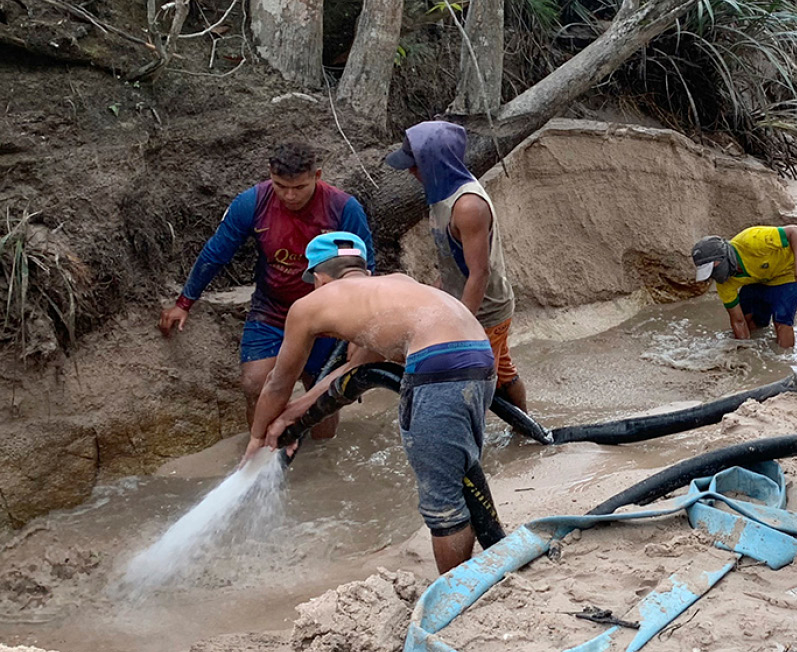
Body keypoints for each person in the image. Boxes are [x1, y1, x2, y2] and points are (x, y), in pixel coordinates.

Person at [245, 231, 497, 573]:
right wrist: (293, 418)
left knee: (443, 501)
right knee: (459, 470)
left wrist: (258, 439)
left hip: (436, 368)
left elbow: (277, 383)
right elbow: (352, 372)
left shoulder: (308, 307)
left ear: (319, 278)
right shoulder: (396, 288)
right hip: (480, 357)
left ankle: (451, 595)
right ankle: (488, 558)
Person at [158, 142, 375, 438]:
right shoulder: (253, 203)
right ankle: (261, 456)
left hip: (328, 318)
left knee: (324, 392)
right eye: (280, 186)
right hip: (272, 312)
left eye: (299, 187)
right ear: (269, 176)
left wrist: (358, 332)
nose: (289, 195)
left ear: (318, 176)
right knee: (254, 384)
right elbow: (216, 253)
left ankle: (323, 460)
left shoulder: (342, 207)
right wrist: (184, 302)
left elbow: (366, 269)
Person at [383, 121, 528, 412]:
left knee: (470, 383)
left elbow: (479, 273)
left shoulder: (468, 206)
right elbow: (452, 263)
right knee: (501, 371)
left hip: (485, 310)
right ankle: (527, 431)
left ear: (435, 162)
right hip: (460, 301)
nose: (411, 172)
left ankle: (485, 441)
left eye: (416, 165)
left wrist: (462, 330)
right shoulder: (440, 195)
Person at [690, 225, 797, 349]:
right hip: (760, 276)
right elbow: (738, 321)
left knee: (781, 320)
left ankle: (785, 358)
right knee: (748, 316)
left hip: (789, 270)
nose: (712, 276)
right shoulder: (725, 284)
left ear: (722, 256)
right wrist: (745, 353)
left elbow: (794, 231)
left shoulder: (752, 240)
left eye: (712, 269)